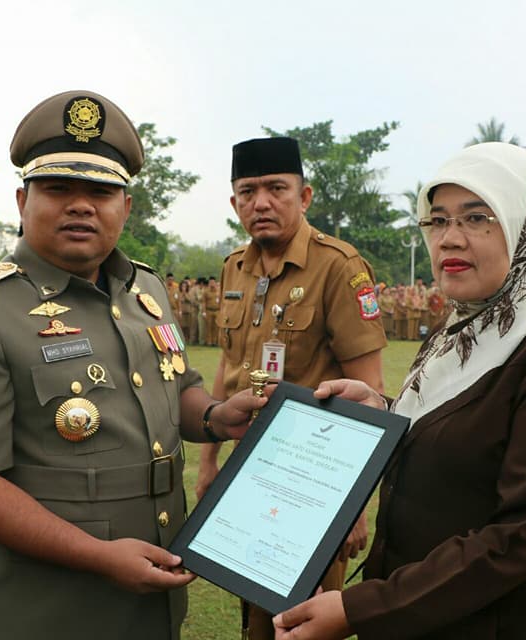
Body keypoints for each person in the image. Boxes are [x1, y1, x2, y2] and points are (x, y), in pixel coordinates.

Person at [0, 90, 264, 640]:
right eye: (58, 189)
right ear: (22, 200)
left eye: (101, 191)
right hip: (48, 607)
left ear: (126, 207)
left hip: (155, 590)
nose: (81, 205)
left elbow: (178, 390)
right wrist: (98, 556)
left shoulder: (145, 290)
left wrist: (216, 417)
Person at [272, 142, 526, 640]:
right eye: (437, 221)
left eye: (477, 218)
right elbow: (464, 436)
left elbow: (523, 535)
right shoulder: (463, 327)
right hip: (424, 616)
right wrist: (385, 413)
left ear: (525, 224)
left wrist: (363, 608)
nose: (449, 239)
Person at [196, 136, 386, 640]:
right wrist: (210, 463)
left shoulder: (339, 266)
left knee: (302, 621)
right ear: (234, 202)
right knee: (254, 611)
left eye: (276, 189)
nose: (261, 203)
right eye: (247, 192)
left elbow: (370, 392)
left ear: (304, 197)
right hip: (248, 471)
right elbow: (229, 364)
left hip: (313, 483)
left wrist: (352, 508)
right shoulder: (234, 267)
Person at [203, 275, 221, 345]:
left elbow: (221, 301)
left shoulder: (219, 291)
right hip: (209, 311)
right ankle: (209, 342)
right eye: (210, 283)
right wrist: (204, 312)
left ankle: (216, 341)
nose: (212, 284)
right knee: (209, 327)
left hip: (217, 311)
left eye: (213, 282)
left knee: (217, 327)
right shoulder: (206, 291)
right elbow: (204, 302)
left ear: (215, 283)